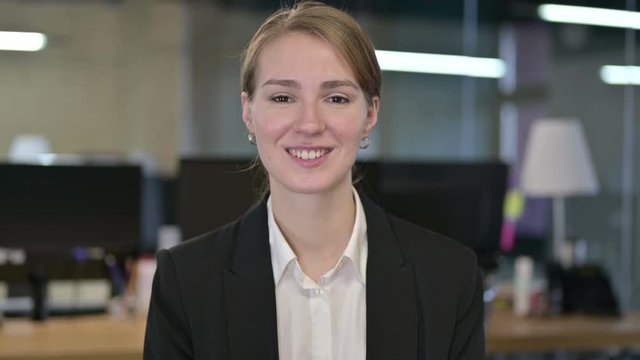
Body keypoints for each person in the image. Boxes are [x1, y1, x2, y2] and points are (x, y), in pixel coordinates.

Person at [143, 1, 485, 359]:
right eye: (282, 97)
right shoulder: (185, 282)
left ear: (370, 113)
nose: (309, 124)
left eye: (336, 97)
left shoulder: (450, 278)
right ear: (248, 111)